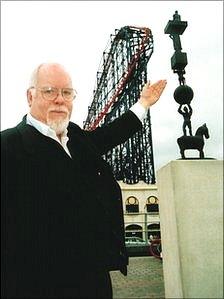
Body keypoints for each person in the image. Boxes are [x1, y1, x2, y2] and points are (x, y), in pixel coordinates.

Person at [1, 63, 167, 299]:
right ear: (31, 96)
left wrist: (144, 103)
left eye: (67, 93)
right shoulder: (8, 146)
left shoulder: (77, 138)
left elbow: (112, 133)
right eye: (49, 91)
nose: (60, 100)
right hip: (37, 283)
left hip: (94, 278)